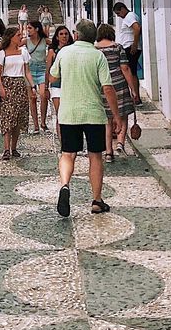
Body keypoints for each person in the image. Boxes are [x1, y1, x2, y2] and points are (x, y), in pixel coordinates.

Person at [49, 19, 123, 218]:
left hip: (68, 112)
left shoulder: (64, 52)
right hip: (94, 114)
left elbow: (53, 77)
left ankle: (65, 185)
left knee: (67, 154)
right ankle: (97, 200)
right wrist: (116, 116)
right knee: (95, 156)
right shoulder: (98, 56)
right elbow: (107, 87)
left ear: (77, 35)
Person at [95, 23, 138, 161]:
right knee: (123, 116)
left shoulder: (95, 49)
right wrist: (133, 89)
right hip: (119, 85)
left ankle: (108, 152)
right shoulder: (117, 47)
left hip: (103, 87)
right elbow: (125, 68)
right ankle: (120, 143)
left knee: (107, 121)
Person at [0, 26, 32, 160]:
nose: (21, 37)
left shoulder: (24, 52)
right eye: (18, 35)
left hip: (20, 86)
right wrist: (2, 88)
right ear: (10, 37)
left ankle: (14, 148)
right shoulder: (2, 54)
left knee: (18, 119)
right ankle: (6, 149)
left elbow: (27, 71)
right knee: (8, 117)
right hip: (8, 84)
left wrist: (32, 86)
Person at [46, 25, 73, 132]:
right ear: (57, 37)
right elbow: (48, 70)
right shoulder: (52, 52)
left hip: (71, 85)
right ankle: (62, 143)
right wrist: (45, 88)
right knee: (60, 115)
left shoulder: (73, 50)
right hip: (57, 86)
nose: (64, 36)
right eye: (61, 34)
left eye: (66, 34)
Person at [25, 21, 50, 134]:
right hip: (30, 70)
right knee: (32, 98)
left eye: (30, 28)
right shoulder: (26, 41)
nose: (28, 30)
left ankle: (43, 121)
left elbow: (55, 45)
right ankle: (35, 125)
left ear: (37, 29)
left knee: (43, 95)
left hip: (42, 70)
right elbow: (13, 45)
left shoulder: (44, 41)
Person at [113, 1, 142, 77]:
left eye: (118, 13)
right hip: (130, 47)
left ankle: (134, 89)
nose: (118, 16)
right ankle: (134, 88)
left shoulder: (129, 16)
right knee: (132, 71)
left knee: (131, 72)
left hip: (130, 47)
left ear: (122, 9)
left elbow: (137, 28)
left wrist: (134, 44)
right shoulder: (130, 16)